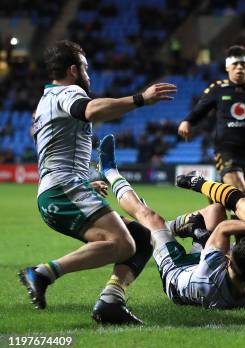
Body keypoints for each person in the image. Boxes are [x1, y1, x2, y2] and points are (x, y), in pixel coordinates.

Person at [19, 40, 177, 324]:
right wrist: (140, 99)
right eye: (86, 68)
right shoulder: (69, 91)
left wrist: (84, 182)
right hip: (62, 189)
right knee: (124, 244)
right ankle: (43, 273)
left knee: (141, 237)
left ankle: (110, 302)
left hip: (61, 191)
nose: (89, 75)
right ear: (73, 70)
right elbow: (90, 110)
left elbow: (55, 149)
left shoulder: (44, 103)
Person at [98, 135, 245, 308]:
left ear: (228, 259)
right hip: (201, 266)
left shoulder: (212, 272)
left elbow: (223, 229)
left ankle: (109, 171)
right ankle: (175, 228)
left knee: (149, 216)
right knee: (215, 209)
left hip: (176, 272)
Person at [178, 45, 245, 199]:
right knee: (240, 193)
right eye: (235, 64)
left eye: (243, 64)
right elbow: (199, 110)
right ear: (227, 66)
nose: (239, 68)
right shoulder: (218, 89)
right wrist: (187, 121)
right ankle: (203, 185)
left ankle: (213, 192)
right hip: (226, 149)